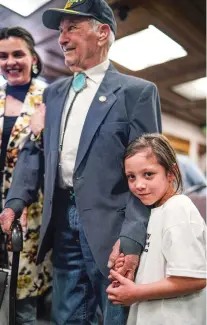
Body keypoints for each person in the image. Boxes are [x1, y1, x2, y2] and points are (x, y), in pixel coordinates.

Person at [2, 1, 162, 324]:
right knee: (66, 316)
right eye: (60, 31)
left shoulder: (138, 93)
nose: (62, 38)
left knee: (117, 316)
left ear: (102, 33)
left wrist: (131, 237)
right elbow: (36, 153)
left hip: (112, 230)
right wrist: (14, 201)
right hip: (61, 222)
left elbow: (149, 175)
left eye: (72, 28)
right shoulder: (54, 94)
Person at [107, 133, 206, 325]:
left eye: (148, 174)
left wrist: (135, 293)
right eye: (131, 177)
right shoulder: (155, 211)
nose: (139, 185)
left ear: (170, 173)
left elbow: (195, 279)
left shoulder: (179, 209)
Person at [0, 27, 52, 325]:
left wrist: (41, 130)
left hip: (29, 210)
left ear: (33, 58)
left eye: (18, 54)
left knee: (23, 299)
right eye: (3, 56)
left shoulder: (48, 96)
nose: (10, 61)